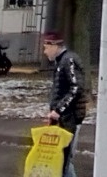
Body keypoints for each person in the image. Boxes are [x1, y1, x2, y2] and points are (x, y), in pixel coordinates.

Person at [42, 30, 85, 177]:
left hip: (70, 119)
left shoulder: (68, 60)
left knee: (64, 160)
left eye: (46, 47)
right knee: (61, 159)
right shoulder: (61, 61)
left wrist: (58, 110)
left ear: (54, 45)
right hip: (63, 118)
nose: (45, 52)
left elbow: (76, 88)